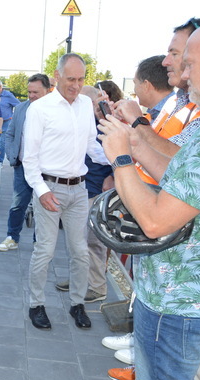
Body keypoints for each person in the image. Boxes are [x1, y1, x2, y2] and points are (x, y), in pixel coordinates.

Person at [97, 17, 200, 380]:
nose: (184, 74)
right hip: (169, 293)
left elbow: (154, 221)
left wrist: (120, 156)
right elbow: (173, 165)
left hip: (182, 301)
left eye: (190, 63)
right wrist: (133, 137)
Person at [23, 53, 109, 330]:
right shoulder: (40, 108)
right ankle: (36, 305)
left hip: (79, 189)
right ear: (56, 76)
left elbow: (91, 146)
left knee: (80, 252)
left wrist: (118, 158)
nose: (76, 85)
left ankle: (77, 304)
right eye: (71, 79)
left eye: (81, 79)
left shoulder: (85, 104)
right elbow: (29, 158)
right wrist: (41, 191)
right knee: (45, 251)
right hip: (50, 189)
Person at [112, 18, 200, 185]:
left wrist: (137, 120)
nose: (165, 62)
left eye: (174, 54)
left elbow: (177, 159)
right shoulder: (177, 100)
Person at [55, 85, 114, 303]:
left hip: (95, 190)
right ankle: (79, 279)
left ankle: (97, 287)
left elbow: (115, 157)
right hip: (80, 189)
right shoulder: (83, 124)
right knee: (77, 241)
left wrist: (112, 176)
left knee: (93, 242)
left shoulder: (105, 126)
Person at [0, 73, 51, 252]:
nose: (31, 95)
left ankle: (39, 242)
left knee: (43, 207)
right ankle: (12, 237)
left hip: (47, 170)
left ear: (48, 90)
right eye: (29, 92)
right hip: (23, 167)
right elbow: (10, 133)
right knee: (18, 203)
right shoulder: (21, 109)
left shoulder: (55, 111)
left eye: (36, 92)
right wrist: (13, 156)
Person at [132, 55, 175, 123]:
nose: (134, 89)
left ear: (146, 85)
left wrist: (134, 119)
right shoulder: (154, 114)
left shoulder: (174, 115)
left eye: (135, 83)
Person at [0, 80, 20, 165]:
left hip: (6, 122)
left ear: (1, 87)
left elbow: (18, 106)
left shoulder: (8, 95)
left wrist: (13, 117)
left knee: (2, 142)